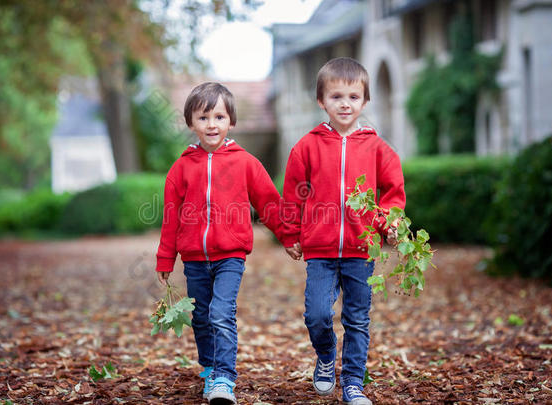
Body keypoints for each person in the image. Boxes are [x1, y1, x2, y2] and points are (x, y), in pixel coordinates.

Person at [155, 82, 299, 405]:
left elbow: (269, 202)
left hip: (230, 256)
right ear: (191, 122)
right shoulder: (181, 169)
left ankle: (224, 378)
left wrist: (287, 235)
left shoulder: (244, 162)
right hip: (194, 258)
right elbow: (170, 217)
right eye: (203, 117)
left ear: (230, 121)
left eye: (219, 117)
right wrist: (166, 257)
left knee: (221, 312)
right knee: (201, 318)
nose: (211, 124)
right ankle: (209, 367)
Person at [281, 57, 406, 405]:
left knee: (357, 319)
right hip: (320, 249)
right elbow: (293, 191)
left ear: (365, 101)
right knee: (317, 314)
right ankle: (324, 357)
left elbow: (393, 194)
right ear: (322, 101)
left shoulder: (378, 148)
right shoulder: (307, 146)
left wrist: (389, 223)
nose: (345, 104)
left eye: (353, 96)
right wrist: (291, 234)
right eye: (336, 96)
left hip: (360, 248)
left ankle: (352, 381)